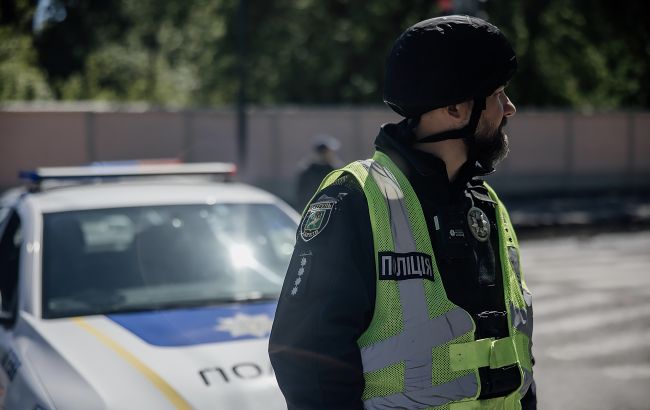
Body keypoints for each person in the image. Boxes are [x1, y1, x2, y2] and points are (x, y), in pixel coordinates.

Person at [270, 15, 536, 410]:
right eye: (497, 93)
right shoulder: (354, 199)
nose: (509, 108)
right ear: (455, 108)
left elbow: (513, 351)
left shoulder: (486, 203)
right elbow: (308, 364)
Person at [295, 135, 341, 211]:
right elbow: (302, 196)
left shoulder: (335, 170)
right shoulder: (308, 172)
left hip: (333, 210)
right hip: (314, 210)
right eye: (329, 152)